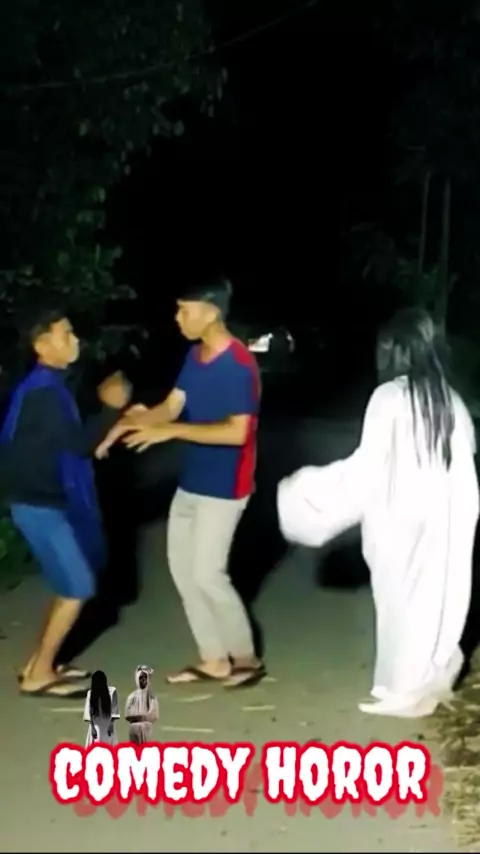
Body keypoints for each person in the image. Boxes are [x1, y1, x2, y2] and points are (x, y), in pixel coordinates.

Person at [277, 308, 479, 718]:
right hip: (445, 517)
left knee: (399, 601)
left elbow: (368, 466)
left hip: (398, 516)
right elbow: (464, 463)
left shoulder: (388, 397)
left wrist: (310, 494)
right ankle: (425, 679)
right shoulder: (451, 399)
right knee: (436, 597)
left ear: (391, 351)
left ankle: (404, 689)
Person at [98, 276, 265, 688]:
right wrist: (138, 420)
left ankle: (246, 658)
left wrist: (170, 431)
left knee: (208, 574)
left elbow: (237, 432)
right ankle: (214, 659)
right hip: (192, 482)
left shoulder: (239, 365)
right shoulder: (195, 356)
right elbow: (174, 406)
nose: (177, 317)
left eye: (184, 309)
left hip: (226, 487)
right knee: (184, 573)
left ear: (211, 312)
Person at [0, 307, 131, 698]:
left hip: (37, 501)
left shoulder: (46, 385)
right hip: (39, 505)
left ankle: (38, 663)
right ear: (42, 345)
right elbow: (77, 445)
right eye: (66, 334)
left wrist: (108, 423)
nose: (75, 341)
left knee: (67, 585)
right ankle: (39, 674)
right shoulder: (45, 392)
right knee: (78, 587)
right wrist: (112, 407)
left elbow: (62, 442)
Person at [84, 670, 120, 746]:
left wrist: (111, 724)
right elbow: (89, 711)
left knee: (108, 744)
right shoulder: (91, 693)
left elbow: (114, 709)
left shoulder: (112, 692)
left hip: (107, 723)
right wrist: (92, 728)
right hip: (96, 724)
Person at [125, 665, 159, 744]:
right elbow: (127, 714)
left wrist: (143, 717)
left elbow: (155, 715)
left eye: (145, 677)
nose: (143, 679)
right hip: (134, 728)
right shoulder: (132, 696)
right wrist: (139, 717)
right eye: (141, 677)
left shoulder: (151, 697)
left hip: (146, 727)